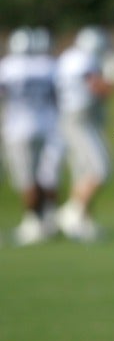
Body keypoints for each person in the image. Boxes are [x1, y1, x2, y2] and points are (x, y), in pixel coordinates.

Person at [55, 25, 114, 241]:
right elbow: (99, 88)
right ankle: (71, 213)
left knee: (82, 171)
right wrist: (113, 78)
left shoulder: (67, 57)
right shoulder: (83, 60)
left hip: (69, 116)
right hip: (79, 119)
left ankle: (81, 219)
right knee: (100, 169)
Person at [0, 26, 64, 245]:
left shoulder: (7, 67)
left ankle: (32, 222)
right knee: (47, 174)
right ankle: (48, 218)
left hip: (17, 127)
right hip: (48, 124)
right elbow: (59, 96)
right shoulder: (48, 66)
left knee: (26, 177)